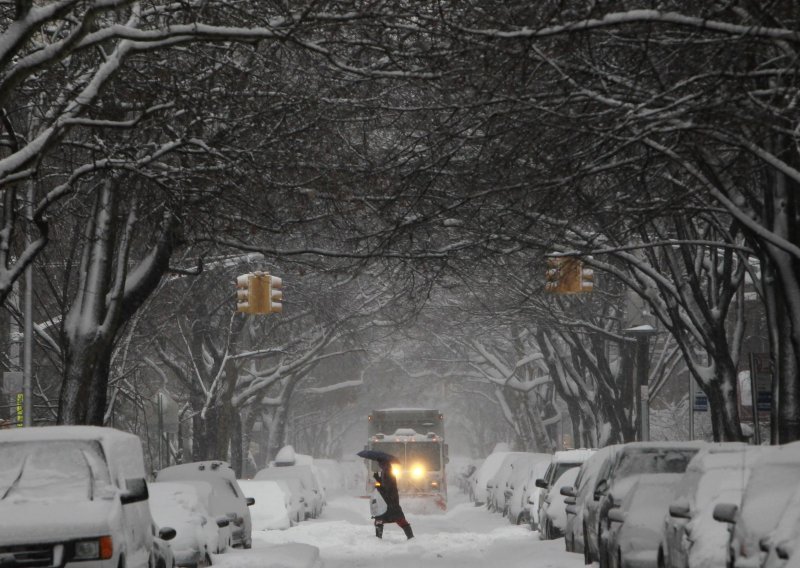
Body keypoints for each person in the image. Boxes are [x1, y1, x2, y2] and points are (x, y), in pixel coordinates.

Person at [372, 460, 414, 540]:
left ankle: (378, 539)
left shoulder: (387, 473)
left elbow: (386, 489)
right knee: (399, 520)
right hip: (390, 501)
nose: (379, 466)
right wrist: (378, 478)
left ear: (384, 465)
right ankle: (411, 537)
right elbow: (385, 485)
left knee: (380, 520)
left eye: (380, 464)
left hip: (390, 501)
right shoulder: (386, 472)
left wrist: (378, 486)